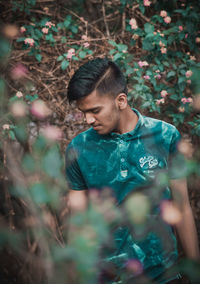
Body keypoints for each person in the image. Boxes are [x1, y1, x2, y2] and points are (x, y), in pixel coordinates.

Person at [65, 58, 199, 283]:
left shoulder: (165, 136)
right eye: (83, 112)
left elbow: (182, 207)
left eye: (95, 110)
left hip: (162, 275)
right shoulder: (78, 149)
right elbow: (77, 222)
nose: (88, 119)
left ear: (121, 100)